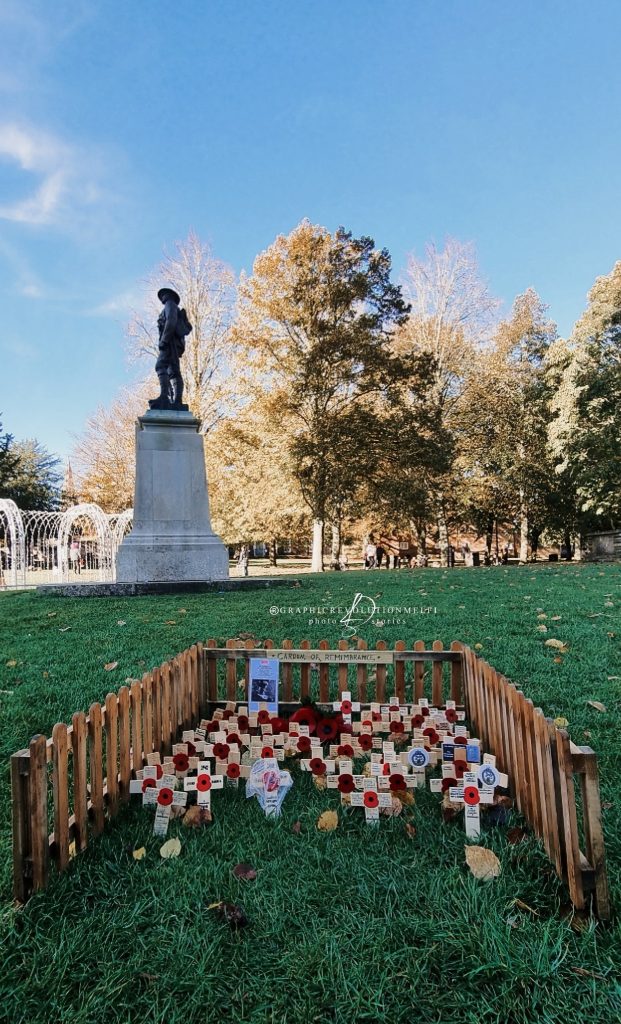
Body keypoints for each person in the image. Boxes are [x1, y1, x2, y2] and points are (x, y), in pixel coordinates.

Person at [149, 287, 193, 410]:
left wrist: (164, 340)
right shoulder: (172, 306)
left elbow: (171, 321)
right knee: (173, 370)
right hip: (172, 343)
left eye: (164, 294)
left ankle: (165, 397)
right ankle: (176, 401)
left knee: (160, 366)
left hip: (169, 343)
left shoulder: (170, 305)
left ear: (169, 296)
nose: (162, 297)